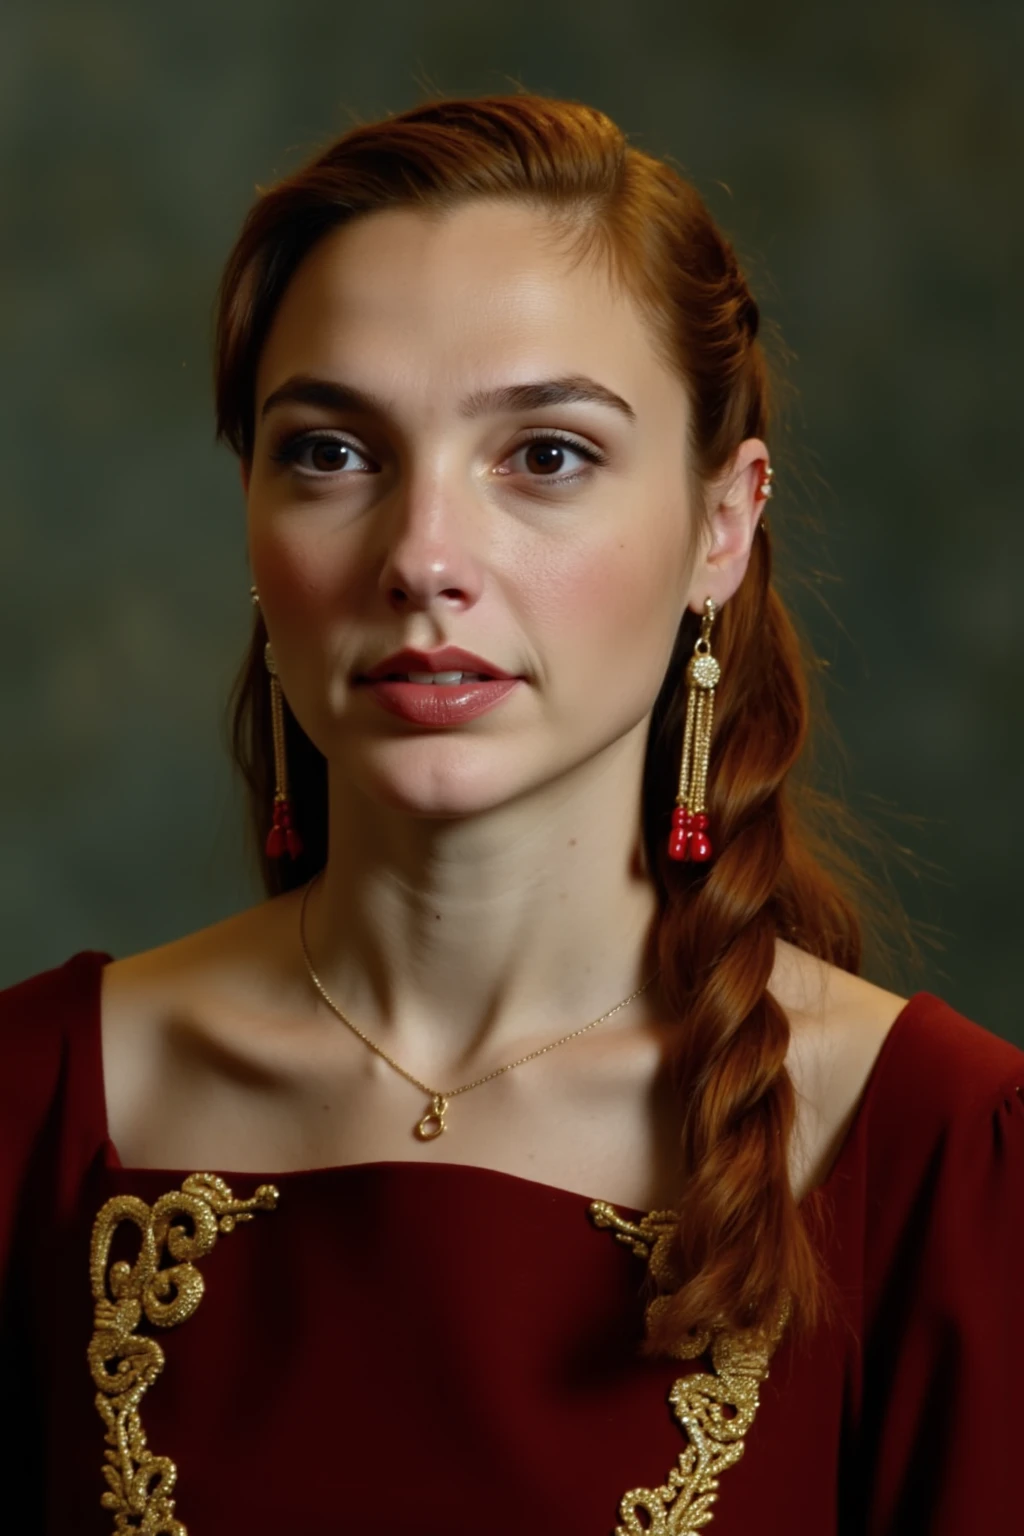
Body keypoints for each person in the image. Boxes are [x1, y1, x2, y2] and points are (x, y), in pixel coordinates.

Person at [1, 92, 1021, 1536]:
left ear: (720, 528)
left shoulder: (941, 1165)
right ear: (249, 512)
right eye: (333, 453)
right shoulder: (28, 1118)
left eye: (545, 454)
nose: (424, 556)